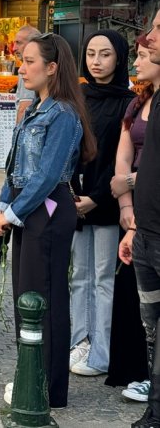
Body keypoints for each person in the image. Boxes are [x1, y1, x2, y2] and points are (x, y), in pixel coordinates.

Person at [0, 33, 96, 409]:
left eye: (30, 60)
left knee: (45, 296)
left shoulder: (64, 114)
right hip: (27, 207)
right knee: (27, 296)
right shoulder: (33, 109)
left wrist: (12, 212)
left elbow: (49, 174)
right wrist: (1, 209)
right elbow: (14, 167)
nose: (22, 67)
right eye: (23, 60)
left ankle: (47, 386)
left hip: (49, 207)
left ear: (52, 68)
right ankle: (30, 375)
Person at [69, 30, 135, 376]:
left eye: (105, 54)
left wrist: (96, 198)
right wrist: (73, 196)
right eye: (91, 54)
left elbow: (121, 158)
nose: (96, 62)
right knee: (79, 274)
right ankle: (78, 342)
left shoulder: (129, 101)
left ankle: (101, 351)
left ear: (119, 58)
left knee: (103, 276)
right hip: (76, 197)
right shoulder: (78, 95)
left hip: (108, 199)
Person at [108, 34, 158, 398]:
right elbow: (122, 159)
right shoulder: (137, 104)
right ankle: (143, 373)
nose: (137, 62)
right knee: (141, 305)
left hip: (151, 205)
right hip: (137, 212)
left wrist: (128, 179)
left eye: (143, 55)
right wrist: (126, 205)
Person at [118, 8, 160, 428]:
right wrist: (132, 223)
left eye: (159, 30)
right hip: (146, 231)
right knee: (152, 327)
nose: (147, 38)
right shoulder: (145, 101)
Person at [0, 25, 42, 264]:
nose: (14, 47)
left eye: (20, 42)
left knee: (15, 186)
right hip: (25, 141)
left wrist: (19, 139)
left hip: (27, 142)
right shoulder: (25, 68)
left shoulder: (29, 71)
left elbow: (24, 106)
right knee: (10, 186)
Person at [13, 25, 41, 123]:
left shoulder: (28, 69)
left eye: (18, 43)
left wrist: (17, 135)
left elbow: (24, 108)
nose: (14, 48)